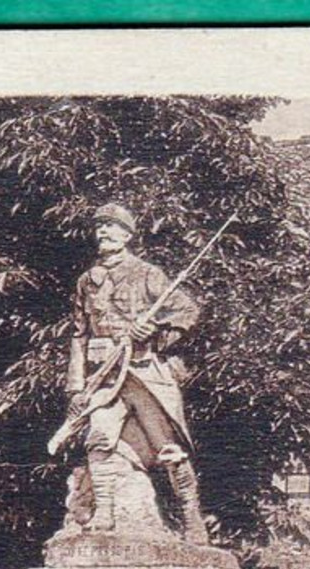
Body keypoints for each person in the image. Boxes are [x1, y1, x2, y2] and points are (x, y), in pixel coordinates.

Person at [62, 202, 210, 544]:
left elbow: (188, 311)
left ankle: (191, 519)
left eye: (112, 227)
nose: (103, 232)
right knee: (98, 437)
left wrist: (156, 330)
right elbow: (78, 334)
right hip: (105, 375)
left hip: (144, 371)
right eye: (100, 227)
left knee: (168, 447)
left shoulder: (147, 273)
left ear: (127, 236)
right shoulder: (88, 281)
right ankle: (105, 513)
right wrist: (75, 386)